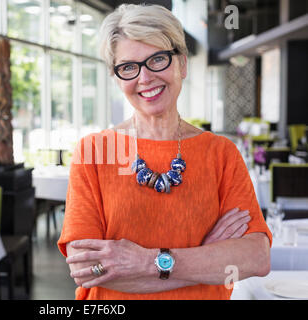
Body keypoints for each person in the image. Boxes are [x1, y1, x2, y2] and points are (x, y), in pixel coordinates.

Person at [57, 3, 272, 300]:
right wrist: (207, 258)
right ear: (117, 78)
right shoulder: (94, 152)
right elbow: (87, 269)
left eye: (158, 59)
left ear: (182, 64)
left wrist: (145, 262)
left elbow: (256, 257)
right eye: (129, 67)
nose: (145, 78)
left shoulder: (221, 153)